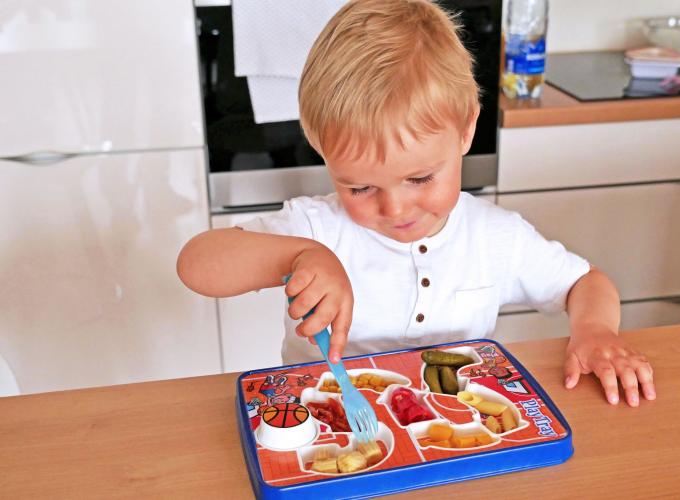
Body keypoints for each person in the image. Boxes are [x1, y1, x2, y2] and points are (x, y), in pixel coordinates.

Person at [177, 0, 655, 407]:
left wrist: (595, 332)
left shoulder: (495, 237)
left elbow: (585, 282)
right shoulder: (316, 229)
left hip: (459, 430)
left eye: (420, 177)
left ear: (466, 130)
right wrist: (297, 256)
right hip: (335, 430)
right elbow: (197, 264)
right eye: (360, 188)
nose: (396, 208)